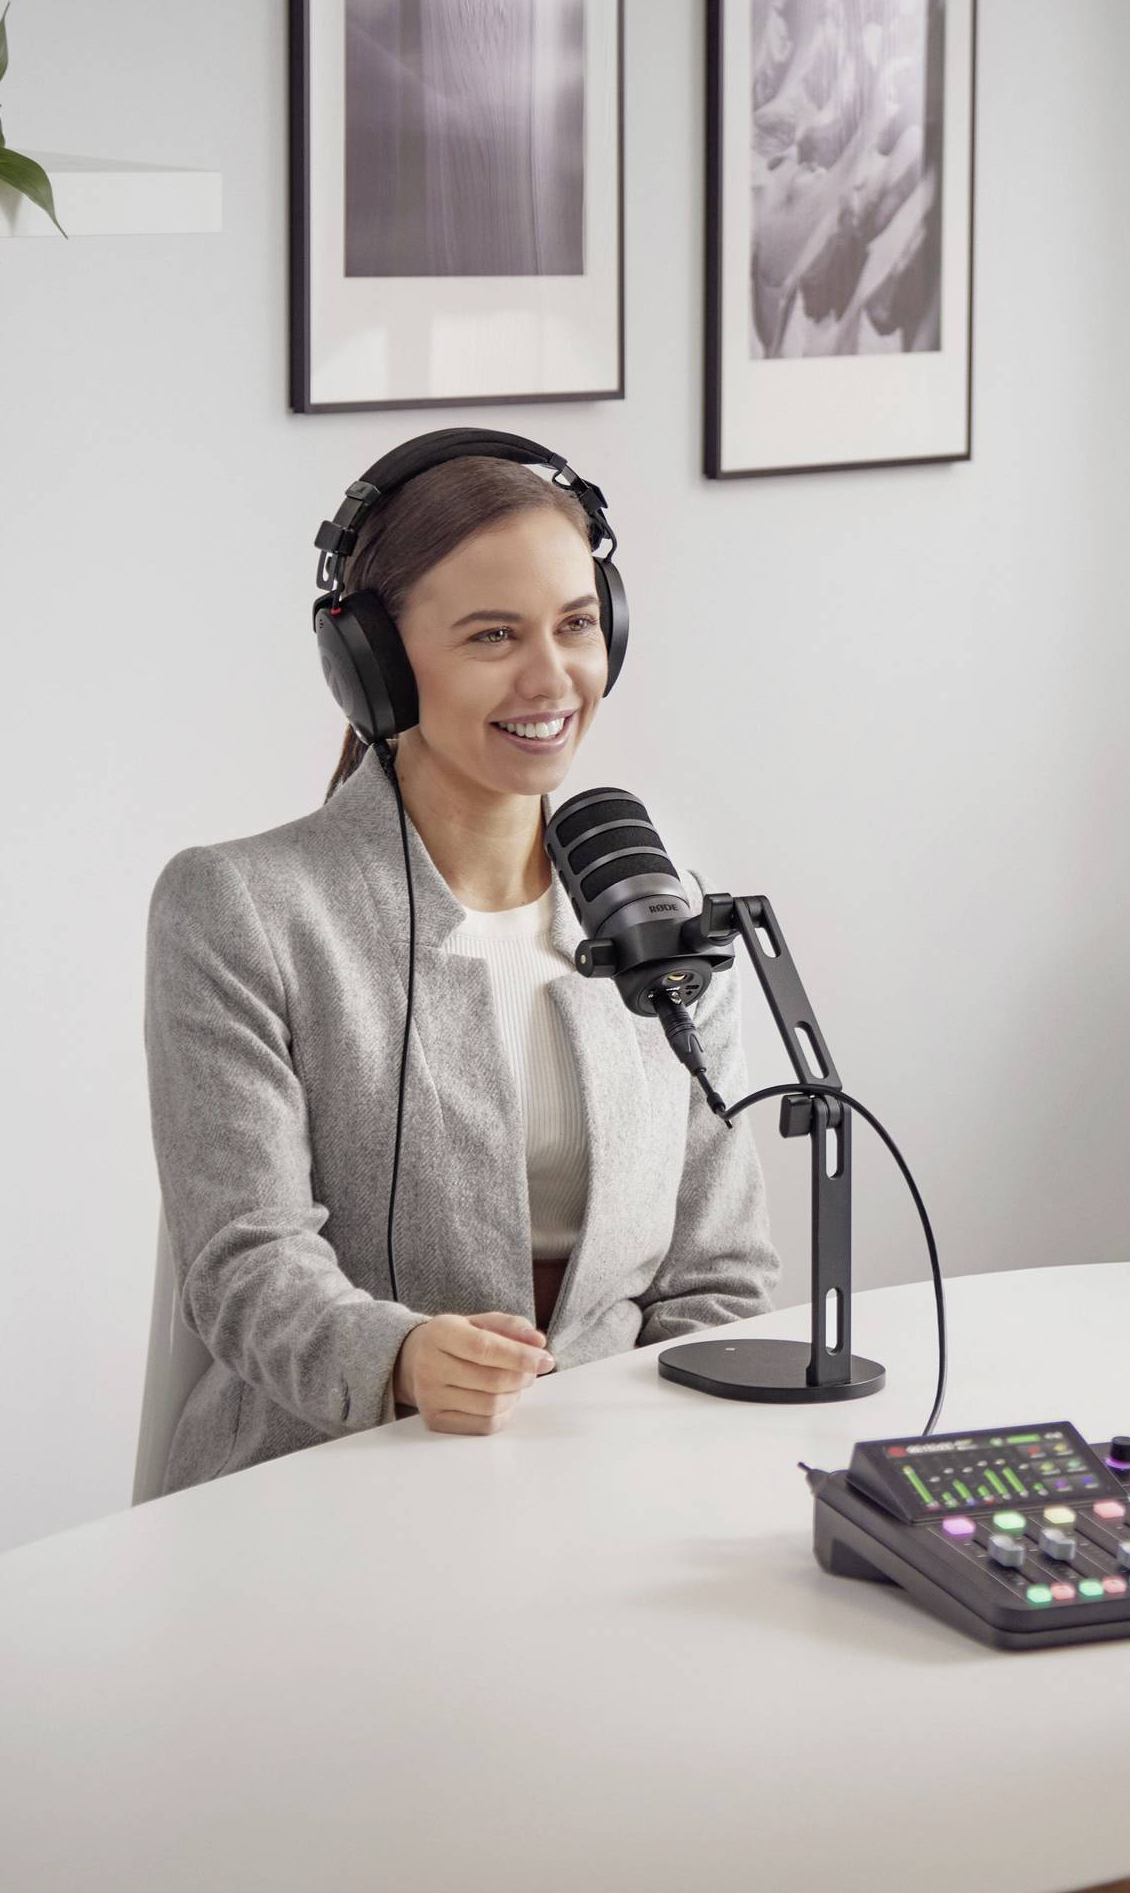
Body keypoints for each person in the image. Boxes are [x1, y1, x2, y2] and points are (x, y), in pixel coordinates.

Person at [143, 450, 778, 1494]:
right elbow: (245, 1260)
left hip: (616, 1493)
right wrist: (396, 1360)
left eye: (576, 625)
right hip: (324, 1493)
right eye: (492, 636)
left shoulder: (660, 916)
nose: (550, 679)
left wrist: (650, 1473)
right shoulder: (240, 908)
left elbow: (720, 1271)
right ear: (374, 668)